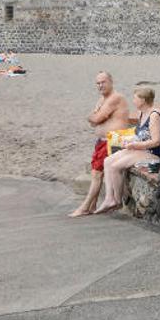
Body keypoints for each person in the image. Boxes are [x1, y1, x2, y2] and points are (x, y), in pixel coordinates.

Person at [68, 72, 130, 217]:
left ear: (111, 82)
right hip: (102, 141)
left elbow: (95, 119)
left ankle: (84, 207)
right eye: (98, 83)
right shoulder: (102, 99)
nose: (100, 85)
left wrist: (94, 117)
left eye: (103, 82)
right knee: (96, 173)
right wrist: (94, 118)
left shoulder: (115, 98)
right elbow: (94, 120)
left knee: (96, 174)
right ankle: (92, 205)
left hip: (113, 140)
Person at [94, 87, 160, 214]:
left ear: (142, 100)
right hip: (140, 150)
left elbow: (156, 141)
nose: (133, 101)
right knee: (108, 161)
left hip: (151, 154)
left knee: (116, 167)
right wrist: (128, 140)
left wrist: (135, 145)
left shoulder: (154, 116)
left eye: (135, 98)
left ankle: (117, 200)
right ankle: (109, 198)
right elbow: (140, 134)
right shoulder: (142, 113)